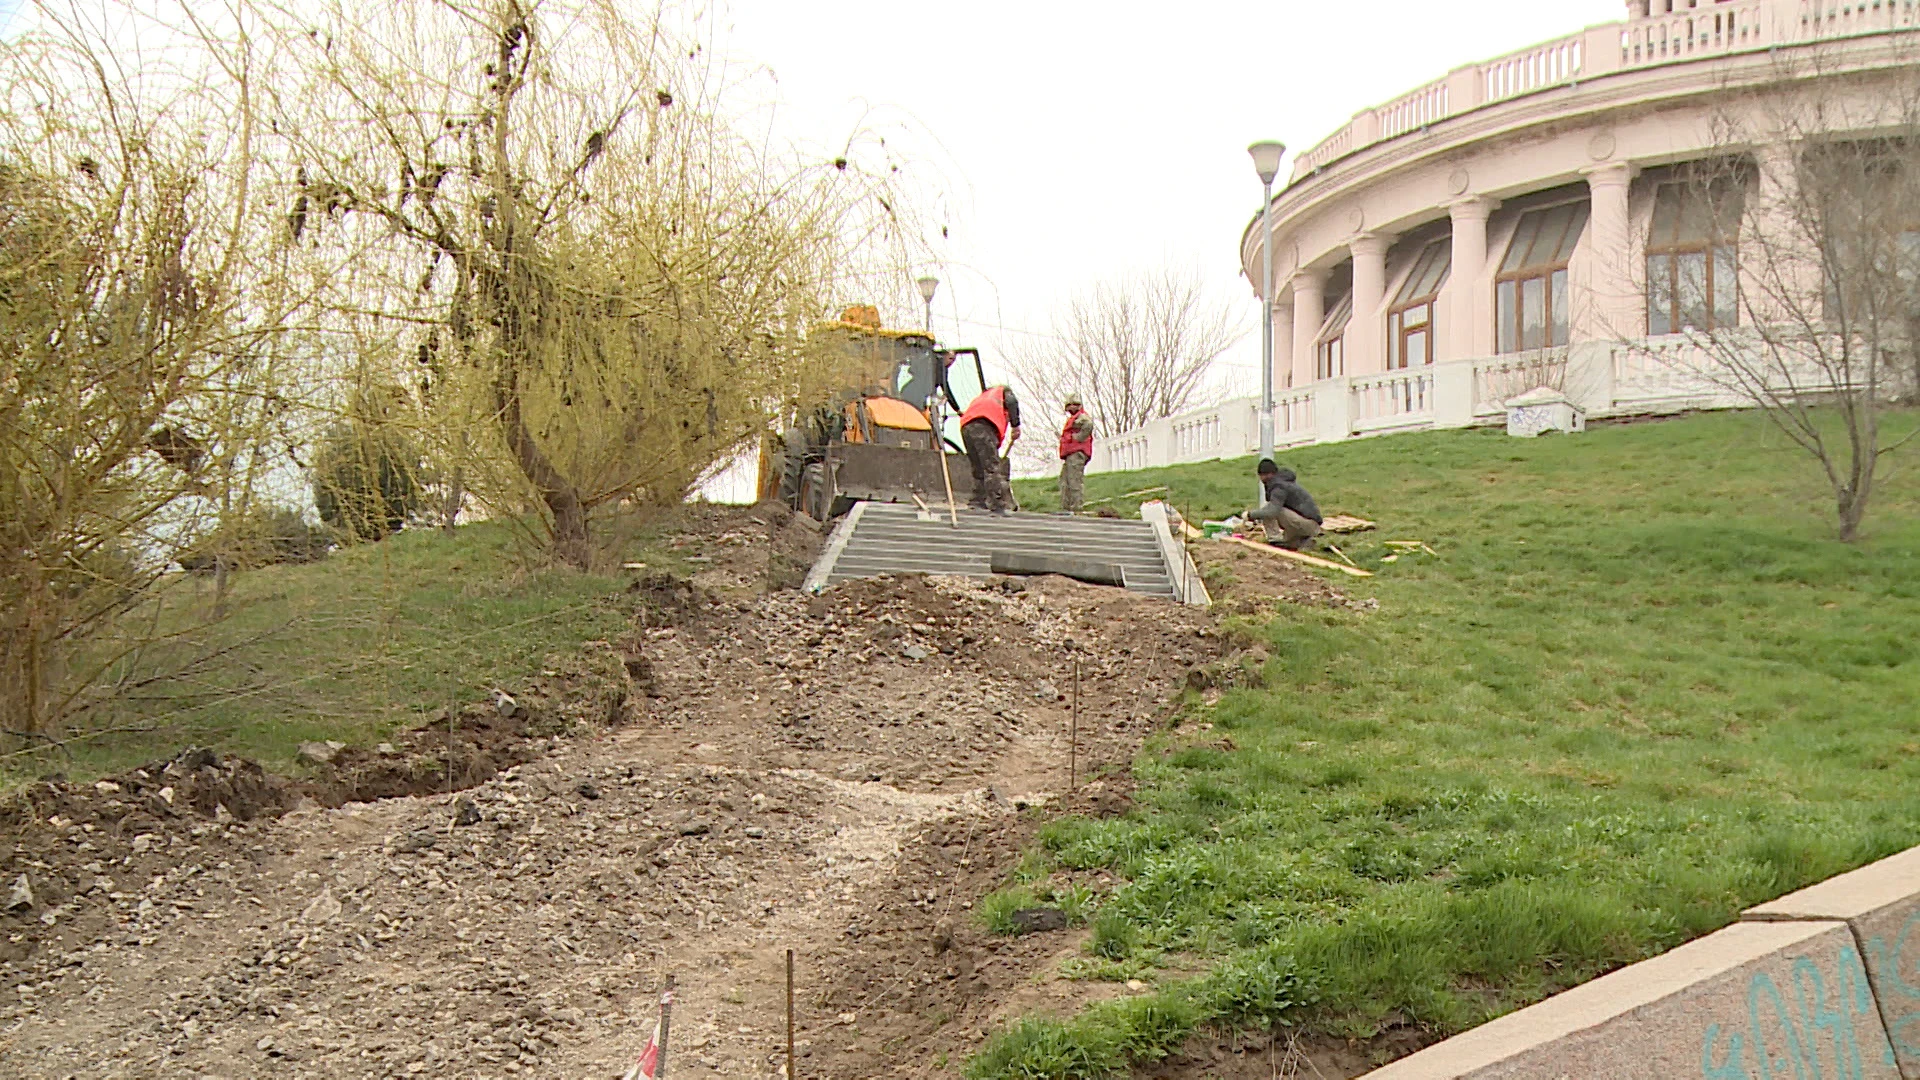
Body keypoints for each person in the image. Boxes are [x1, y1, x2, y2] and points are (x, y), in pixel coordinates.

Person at [959, 385, 1021, 514]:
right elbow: (1012, 402)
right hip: (984, 425)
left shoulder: (983, 397)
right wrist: (1015, 426)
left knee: (978, 466)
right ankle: (996, 503)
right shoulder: (1004, 391)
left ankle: (977, 501)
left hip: (966, 427)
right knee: (991, 467)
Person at [1248, 458, 1323, 550]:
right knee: (1290, 544)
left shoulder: (1279, 487)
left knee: (1271, 510)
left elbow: (1272, 511)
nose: (1262, 478)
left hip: (1309, 525)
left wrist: (1250, 515)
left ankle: (1274, 539)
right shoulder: (1282, 482)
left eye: (1263, 475)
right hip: (1308, 524)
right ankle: (1303, 541)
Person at [1056, 395, 1094, 514]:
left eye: (1073, 405)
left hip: (1076, 453)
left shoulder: (1081, 417)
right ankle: (1067, 507)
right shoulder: (1074, 418)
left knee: (1074, 481)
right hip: (1070, 453)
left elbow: (1088, 425)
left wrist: (1077, 438)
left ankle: (1076, 508)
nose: (1070, 407)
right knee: (1065, 481)